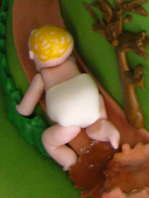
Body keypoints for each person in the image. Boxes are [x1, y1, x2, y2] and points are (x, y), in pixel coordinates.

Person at [16, 25, 120, 170]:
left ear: (32, 55)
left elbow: (28, 105)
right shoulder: (71, 62)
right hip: (87, 96)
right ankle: (101, 124)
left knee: (48, 141)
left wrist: (22, 109)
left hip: (65, 110)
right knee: (96, 101)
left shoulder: (41, 77)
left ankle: (68, 159)